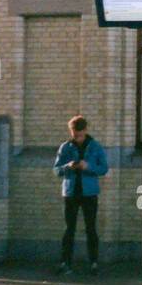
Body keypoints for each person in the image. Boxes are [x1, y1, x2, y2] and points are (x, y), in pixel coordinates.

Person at [53, 115, 109, 275]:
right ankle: (65, 262)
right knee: (68, 229)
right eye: (73, 133)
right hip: (70, 192)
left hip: (89, 193)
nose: (76, 137)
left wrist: (88, 166)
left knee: (90, 228)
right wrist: (67, 166)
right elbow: (56, 170)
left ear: (85, 130)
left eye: (79, 134)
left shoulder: (95, 147)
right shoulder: (65, 147)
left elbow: (104, 168)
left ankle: (94, 262)